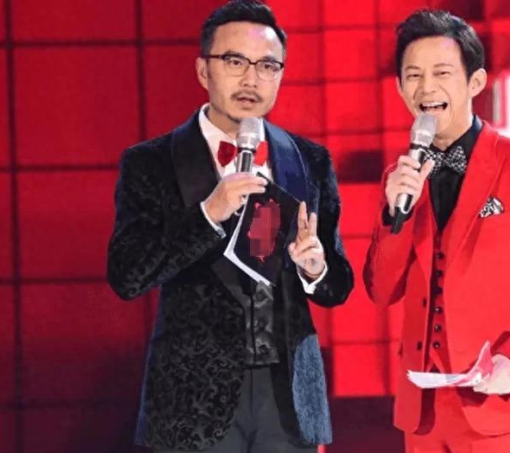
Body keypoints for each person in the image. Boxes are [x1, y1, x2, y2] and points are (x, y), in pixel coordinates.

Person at [106, 1, 353, 452]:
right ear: (204, 70)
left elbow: (338, 285)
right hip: (192, 401)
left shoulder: (309, 160)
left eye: (267, 66)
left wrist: (315, 269)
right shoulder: (152, 163)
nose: (251, 79)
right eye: (235, 62)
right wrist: (207, 213)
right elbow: (127, 275)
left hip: (288, 401)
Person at [363, 9, 510, 453]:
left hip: (497, 404)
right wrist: (394, 214)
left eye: (442, 73)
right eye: (413, 75)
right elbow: (382, 290)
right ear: (401, 87)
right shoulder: (401, 176)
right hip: (423, 414)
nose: (426, 88)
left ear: (476, 82)